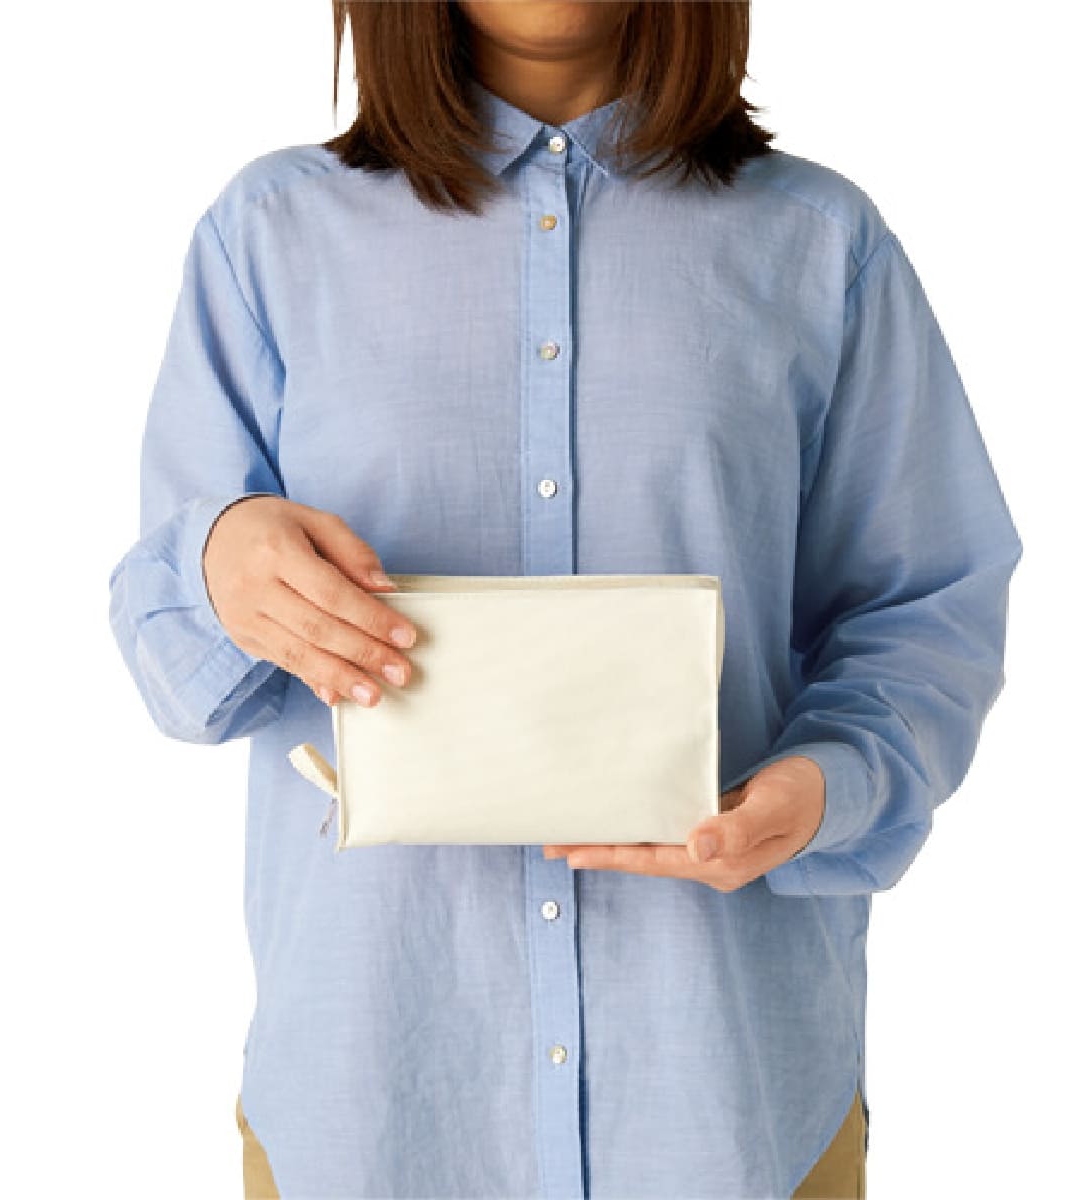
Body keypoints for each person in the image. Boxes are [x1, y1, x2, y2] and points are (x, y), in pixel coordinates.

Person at [106, 2, 1023, 1197]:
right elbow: (172, 658)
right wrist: (218, 561)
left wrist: (828, 785)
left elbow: (924, 607)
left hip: (728, 1111)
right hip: (370, 1116)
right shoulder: (270, 235)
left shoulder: (819, 243)